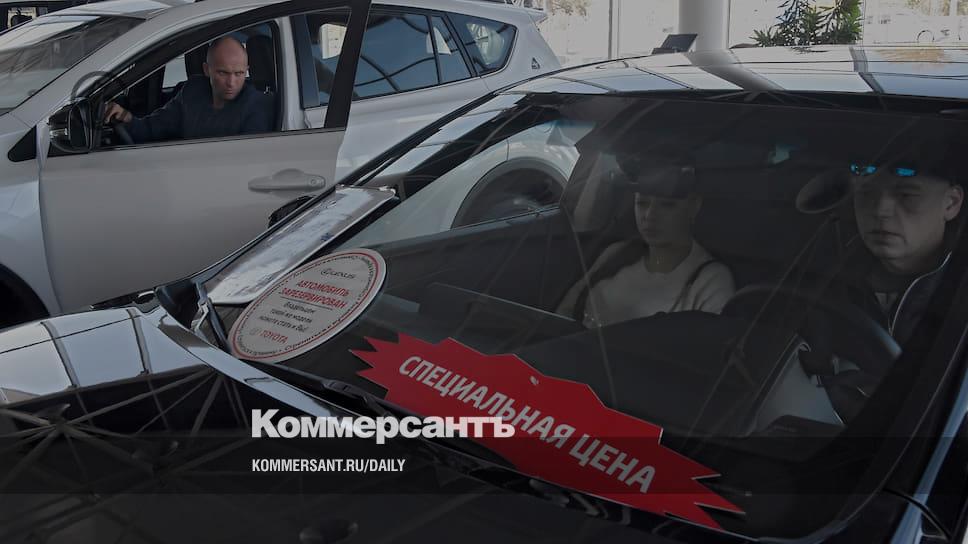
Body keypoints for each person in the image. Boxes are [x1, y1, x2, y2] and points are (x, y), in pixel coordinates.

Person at [558, 163, 736, 328]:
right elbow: (565, 311)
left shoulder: (710, 281)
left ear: (694, 206)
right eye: (642, 203)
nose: (650, 215)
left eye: (667, 205)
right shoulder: (615, 253)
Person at [846, 154, 964, 344]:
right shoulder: (824, 271)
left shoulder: (959, 294)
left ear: (951, 203)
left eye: (906, 195)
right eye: (866, 192)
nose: (880, 211)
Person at [103, 36, 273, 143]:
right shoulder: (193, 91)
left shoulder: (256, 105)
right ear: (207, 70)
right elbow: (151, 129)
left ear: (247, 70)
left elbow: (245, 160)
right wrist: (126, 117)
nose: (231, 82)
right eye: (223, 73)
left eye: (239, 73)